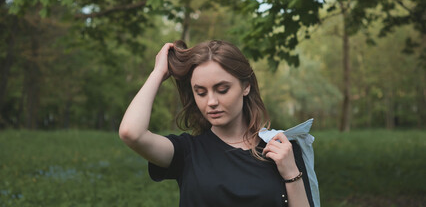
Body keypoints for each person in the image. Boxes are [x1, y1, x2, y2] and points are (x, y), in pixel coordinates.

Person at [119, 40, 315, 207]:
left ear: (246, 87)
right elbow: (131, 133)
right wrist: (158, 73)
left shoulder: (282, 150)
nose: (211, 102)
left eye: (222, 89)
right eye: (201, 92)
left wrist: (291, 172)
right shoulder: (187, 151)